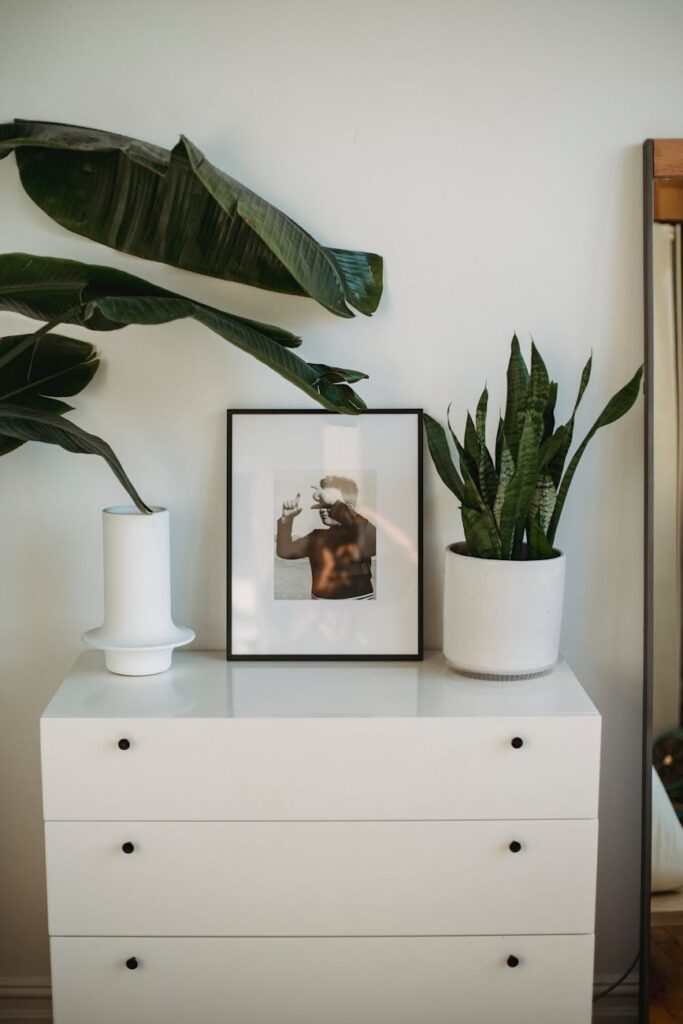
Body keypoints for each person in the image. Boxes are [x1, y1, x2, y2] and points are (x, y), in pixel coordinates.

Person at [276, 475, 376, 599]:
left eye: (329, 505)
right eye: (322, 504)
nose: (323, 510)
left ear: (348, 507)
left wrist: (336, 504)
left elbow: (374, 541)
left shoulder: (361, 535)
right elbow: (285, 551)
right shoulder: (317, 537)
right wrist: (286, 519)